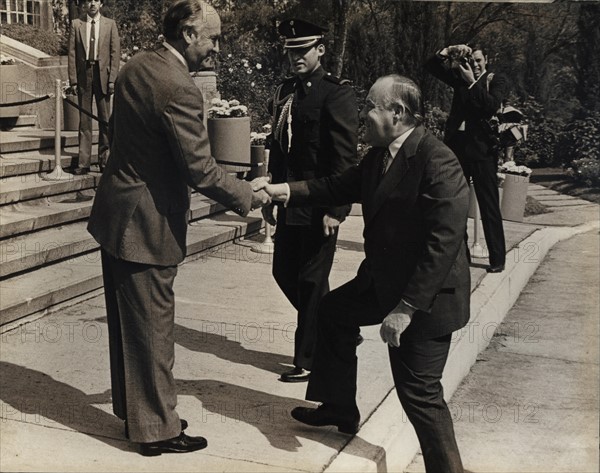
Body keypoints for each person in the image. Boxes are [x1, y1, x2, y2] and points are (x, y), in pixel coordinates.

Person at [256, 75, 470, 473]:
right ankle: (338, 407)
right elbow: (335, 186)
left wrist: (405, 309)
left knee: (419, 393)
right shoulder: (379, 157)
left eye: (371, 106)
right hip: (383, 282)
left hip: (426, 297)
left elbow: (443, 243)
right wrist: (281, 189)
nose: (362, 115)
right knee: (333, 312)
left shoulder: (437, 160)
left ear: (397, 113)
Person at [87, 0, 270, 456]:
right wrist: (250, 196)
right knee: (154, 329)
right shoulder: (180, 87)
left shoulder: (135, 66)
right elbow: (201, 170)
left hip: (115, 213)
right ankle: (158, 431)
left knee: (130, 326)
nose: (217, 47)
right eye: (213, 37)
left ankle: (142, 413)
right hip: (146, 224)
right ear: (188, 34)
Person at [263, 19, 360, 383]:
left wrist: (337, 209)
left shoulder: (336, 93)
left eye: (303, 51)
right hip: (289, 201)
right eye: (291, 51)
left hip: (320, 205)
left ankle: (309, 359)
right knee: (284, 272)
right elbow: (279, 149)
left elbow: (343, 157)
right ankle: (336, 329)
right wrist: (272, 195)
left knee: (311, 280)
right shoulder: (286, 91)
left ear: (320, 49)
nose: (296, 58)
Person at [425, 44, 510, 273]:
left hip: (482, 152)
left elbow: (492, 106)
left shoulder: (495, 80)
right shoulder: (459, 77)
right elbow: (431, 66)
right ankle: (459, 254)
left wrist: (472, 82)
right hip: (458, 150)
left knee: (488, 204)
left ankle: (497, 258)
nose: (475, 63)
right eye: (472, 59)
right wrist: (448, 49)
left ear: (487, 60)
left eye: (479, 60)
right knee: (455, 203)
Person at [68, 0, 120, 174]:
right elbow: (72, 54)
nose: (92, 4)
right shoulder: (76, 24)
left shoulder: (110, 25)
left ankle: (104, 162)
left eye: (96, 0)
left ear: (101, 4)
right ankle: (83, 163)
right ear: (85, 4)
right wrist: (73, 80)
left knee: (105, 120)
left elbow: (115, 53)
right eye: (89, 0)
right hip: (84, 76)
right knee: (84, 121)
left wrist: (112, 79)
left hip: (103, 75)